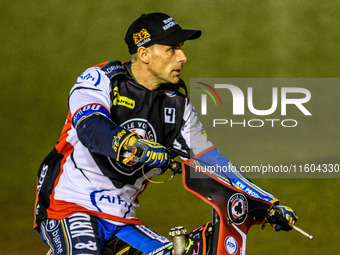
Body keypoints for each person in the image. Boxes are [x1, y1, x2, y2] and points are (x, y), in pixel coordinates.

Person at [34, 12, 298, 255]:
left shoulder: (178, 106)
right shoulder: (100, 79)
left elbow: (213, 162)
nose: (182, 58)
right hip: (67, 207)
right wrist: (137, 146)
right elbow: (91, 128)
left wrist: (265, 203)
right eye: (171, 49)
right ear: (144, 53)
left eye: (181, 49)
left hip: (121, 219)